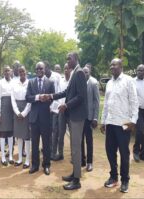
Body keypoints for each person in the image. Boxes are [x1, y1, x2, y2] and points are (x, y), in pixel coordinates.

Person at [48, 52, 88, 190]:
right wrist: (51, 96)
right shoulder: (74, 72)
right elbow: (67, 92)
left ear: (76, 59)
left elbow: (81, 96)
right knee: (73, 147)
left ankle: (77, 181)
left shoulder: (80, 73)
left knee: (76, 149)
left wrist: (66, 105)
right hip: (73, 116)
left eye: (69, 58)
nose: (67, 61)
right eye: (66, 59)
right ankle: (74, 174)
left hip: (77, 116)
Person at [100, 58, 139, 193]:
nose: (112, 67)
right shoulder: (109, 83)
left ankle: (125, 180)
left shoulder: (128, 81)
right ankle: (113, 177)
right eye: (110, 65)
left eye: (114, 65)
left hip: (123, 123)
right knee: (110, 151)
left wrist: (133, 121)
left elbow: (134, 102)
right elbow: (106, 103)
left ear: (121, 67)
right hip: (110, 122)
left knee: (124, 153)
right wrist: (103, 121)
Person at [26, 61, 55, 175]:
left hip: (46, 118)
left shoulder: (50, 83)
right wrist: (38, 97)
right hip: (34, 118)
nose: (39, 70)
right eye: (37, 68)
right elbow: (27, 97)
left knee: (46, 143)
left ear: (45, 69)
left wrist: (47, 98)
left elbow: (53, 97)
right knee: (35, 143)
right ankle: (35, 165)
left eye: (41, 68)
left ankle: (46, 165)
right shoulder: (31, 82)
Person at [11, 66, 31, 169]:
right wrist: (17, 112)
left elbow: (30, 100)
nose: (22, 72)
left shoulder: (30, 83)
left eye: (23, 70)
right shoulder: (14, 84)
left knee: (27, 136)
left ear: (26, 72)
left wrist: (23, 113)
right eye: (20, 71)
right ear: (18, 72)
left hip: (26, 111)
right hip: (17, 111)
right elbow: (12, 99)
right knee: (18, 136)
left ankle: (27, 160)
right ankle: (19, 158)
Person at [81, 65, 100, 172]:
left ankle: (89, 162)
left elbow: (97, 102)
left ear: (90, 72)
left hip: (89, 117)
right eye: (83, 72)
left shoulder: (93, 83)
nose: (85, 74)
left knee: (89, 140)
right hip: (80, 117)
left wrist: (95, 118)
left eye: (87, 72)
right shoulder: (80, 82)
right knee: (80, 140)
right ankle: (82, 160)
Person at [51, 63, 71, 161]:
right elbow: (58, 95)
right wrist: (57, 108)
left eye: (68, 69)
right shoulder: (61, 81)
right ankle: (60, 153)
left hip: (71, 111)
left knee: (72, 134)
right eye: (65, 69)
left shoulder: (73, 81)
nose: (66, 70)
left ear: (71, 70)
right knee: (60, 133)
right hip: (61, 111)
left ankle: (74, 155)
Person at [0, 66, 14, 166]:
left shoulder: (14, 82)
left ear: (11, 72)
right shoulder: (0, 82)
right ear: (3, 72)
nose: (7, 72)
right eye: (5, 70)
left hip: (12, 108)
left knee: (11, 133)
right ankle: (2, 156)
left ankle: (10, 155)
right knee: (2, 133)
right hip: (3, 108)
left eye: (8, 70)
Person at [44, 61, 61, 158]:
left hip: (55, 107)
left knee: (55, 129)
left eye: (44, 68)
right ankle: (48, 148)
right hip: (46, 107)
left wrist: (53, 106)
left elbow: (58, 92)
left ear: (48, 68)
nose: (43, 70)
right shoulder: (44, 78)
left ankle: (55, 150)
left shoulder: (56, 76)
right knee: (48, 128)